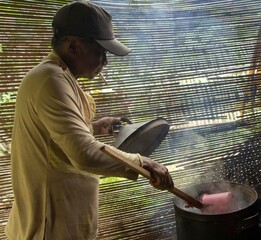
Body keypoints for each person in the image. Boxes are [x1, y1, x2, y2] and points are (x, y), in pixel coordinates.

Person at [5, 1, 174, 239]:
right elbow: (83, 153)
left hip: (66, 218)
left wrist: (91, 127)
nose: (104, 62)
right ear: (73, 46)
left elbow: (54, 139)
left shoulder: (59, 75)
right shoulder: (50, 80)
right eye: (100, 52)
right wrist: (143, 162)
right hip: (50, 226)